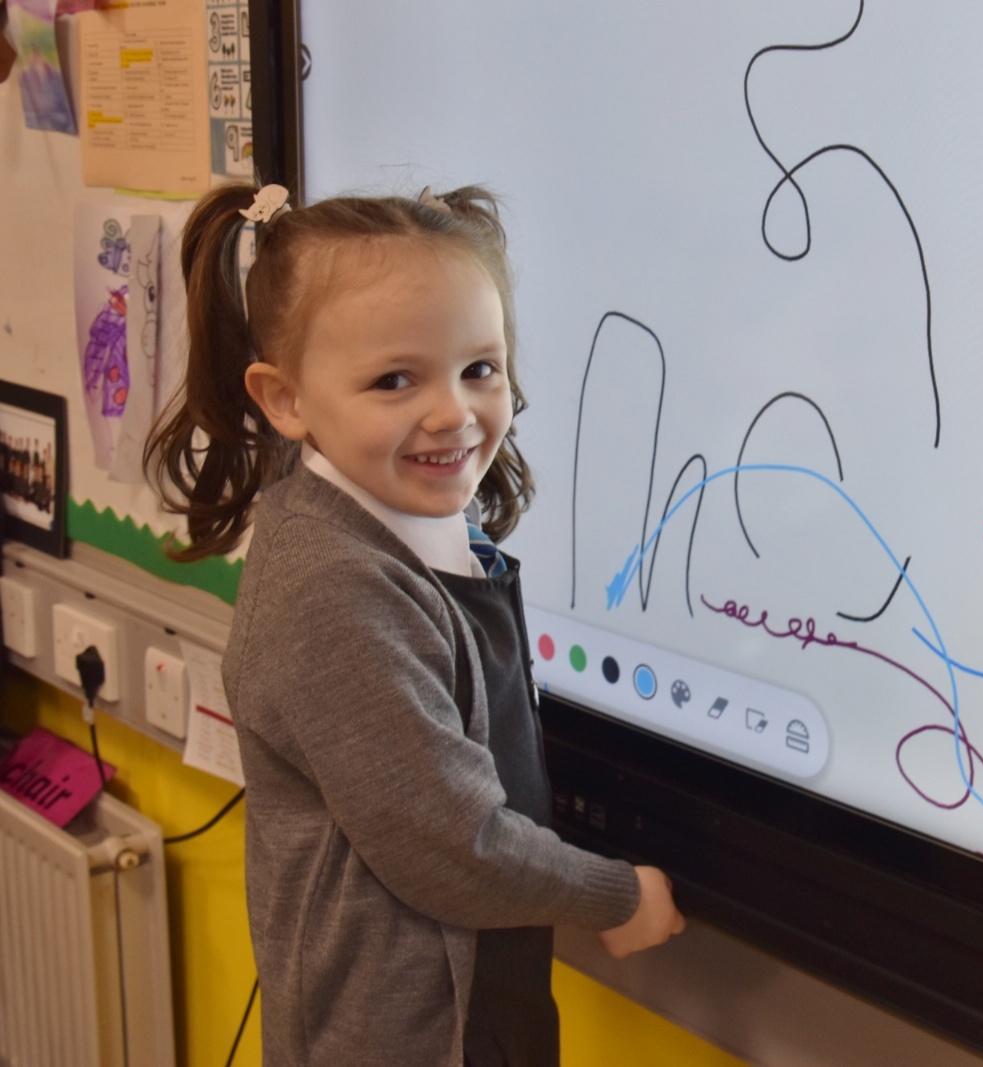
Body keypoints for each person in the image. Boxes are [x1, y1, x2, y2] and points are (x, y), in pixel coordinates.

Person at [146, 182, 685, 1066]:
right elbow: (453, 845)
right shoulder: (331, 589)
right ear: (285, 399)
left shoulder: (406, 513)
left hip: (476, 1006)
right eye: (394, 380)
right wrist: (616, 896)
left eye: (480, 368)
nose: (453, 413)